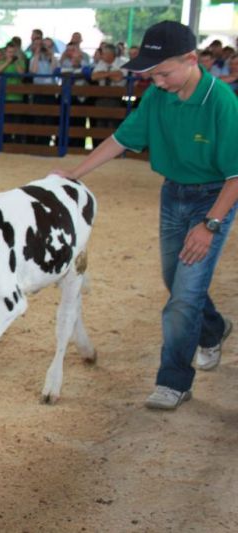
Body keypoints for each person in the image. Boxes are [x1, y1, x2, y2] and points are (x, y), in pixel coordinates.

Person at [51, 21, 238, 411]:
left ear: (191, 60)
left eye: (163, 73)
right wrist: (75, 173)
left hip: (213, 198)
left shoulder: (221, 102)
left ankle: (174, 381)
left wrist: (210, 226)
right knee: (175, 280)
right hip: (173, 194)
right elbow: (121, 139)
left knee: (183, 296)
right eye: (152, 74)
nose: (157, 81)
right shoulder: (157, 96)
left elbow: (236, 176)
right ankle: (213, 328)